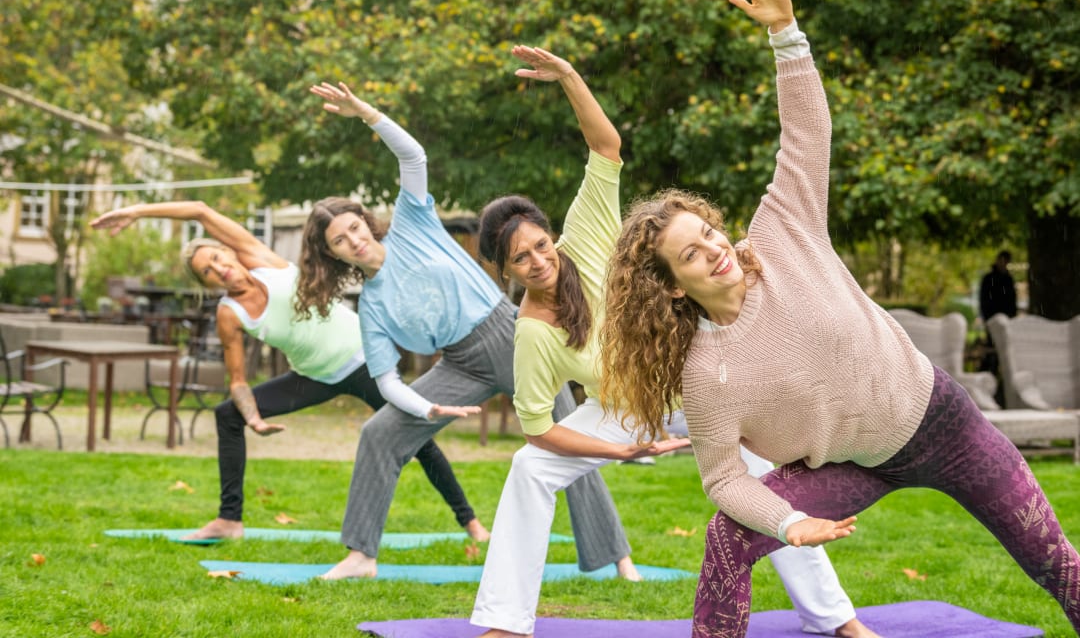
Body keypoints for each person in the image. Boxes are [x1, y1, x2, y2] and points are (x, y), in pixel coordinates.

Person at [599, 0, 1080, 638]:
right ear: (673, 286)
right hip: (856, 465)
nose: (714, 247)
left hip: (946, 425)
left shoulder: (781, 232)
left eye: (708, 230)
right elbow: (725, 481)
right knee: (727, 539)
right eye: (690, 253)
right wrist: (788, 521)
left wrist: (787, 36)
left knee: (1057, 564)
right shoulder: (708, 373)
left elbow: (805, 136)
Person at [469, 46, 877, 638]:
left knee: (760, 478)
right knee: (530, 468)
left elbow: (605, 148)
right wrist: (622, 452)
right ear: (505, 271)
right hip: (624, 410)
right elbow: (539, 428)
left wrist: (569, 78)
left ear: (552, 237)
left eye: (539, 245)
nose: (537, 261)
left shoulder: (583, 243)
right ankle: (505, 623)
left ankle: (838, 620)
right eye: (519, 258)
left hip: (697, 382)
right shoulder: (531, 331)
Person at [295, 81, 640, 582]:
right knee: (380, 433)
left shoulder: (412, 223)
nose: (353, 240)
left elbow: (412, 156)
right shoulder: (371, 306)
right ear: (332, 254)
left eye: (354, 227)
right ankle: (361, 556)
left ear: (366, 223)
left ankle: (616, 557)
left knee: (566, 439)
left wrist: (365, 112)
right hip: (457, 363)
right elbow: (387, 380)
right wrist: (426, 407)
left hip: (508, 336)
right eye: (339, 240)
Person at [89, 201, 488, 542]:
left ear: (227, 251)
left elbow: (199, 210)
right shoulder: (230, 314)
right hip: (314, 375)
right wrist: (253, 418)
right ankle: (229, 519)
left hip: (365, 359)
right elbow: (239, 382)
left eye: (217, 257)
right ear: (206, 284)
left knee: (416, 436)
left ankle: (469, 521)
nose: (219, 268)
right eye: (208, 272)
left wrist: (137, 212)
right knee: (226, 413)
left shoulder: (262, 260)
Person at [979, 250, 1017, 325]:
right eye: (1002, 260)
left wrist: (1012, 315)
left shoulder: (1008, 279)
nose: (1003, 263)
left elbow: (1012, 298)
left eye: (1005, 261)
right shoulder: (988, 278)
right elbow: (984, 298)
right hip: (991, 317)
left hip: (1007, 317)